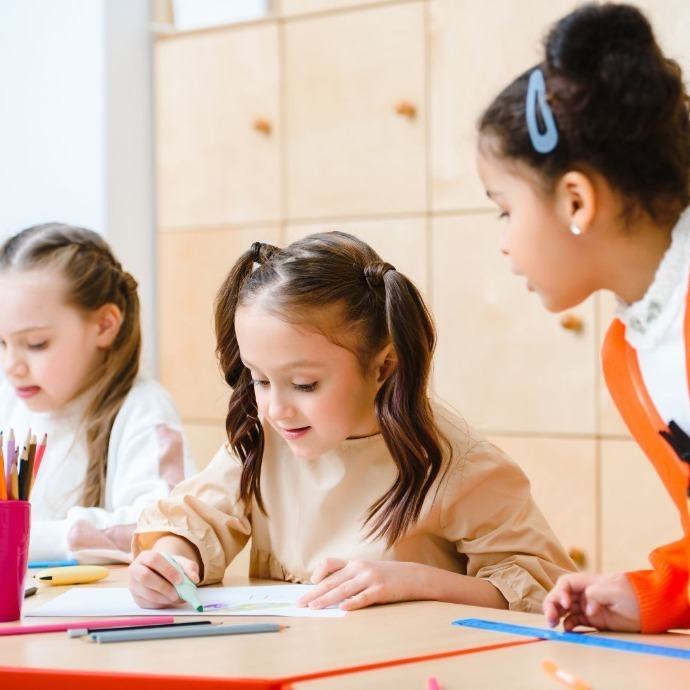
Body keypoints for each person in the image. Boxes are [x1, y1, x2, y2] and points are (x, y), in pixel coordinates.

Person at [129, 230, 575, 613]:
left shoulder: (459, 466)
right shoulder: (265, 439)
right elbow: (197, 518)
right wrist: (171, 560)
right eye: (260, 379)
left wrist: (415, 582)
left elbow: (542, 590)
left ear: (382, 366)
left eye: (304, 384)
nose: (275, 408)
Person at [476, 3, 690, 633]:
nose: (504, 242)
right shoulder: (632, 350)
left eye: (504, 209)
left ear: (575, 199)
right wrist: (650, 592)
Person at [0, 223, 195, 563]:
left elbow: (164, 527)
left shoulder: (143, 410)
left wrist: (19, 536)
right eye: (1, 343)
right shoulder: (10, 401)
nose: (11, 366)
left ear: (104, 325)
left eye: (35, 344)